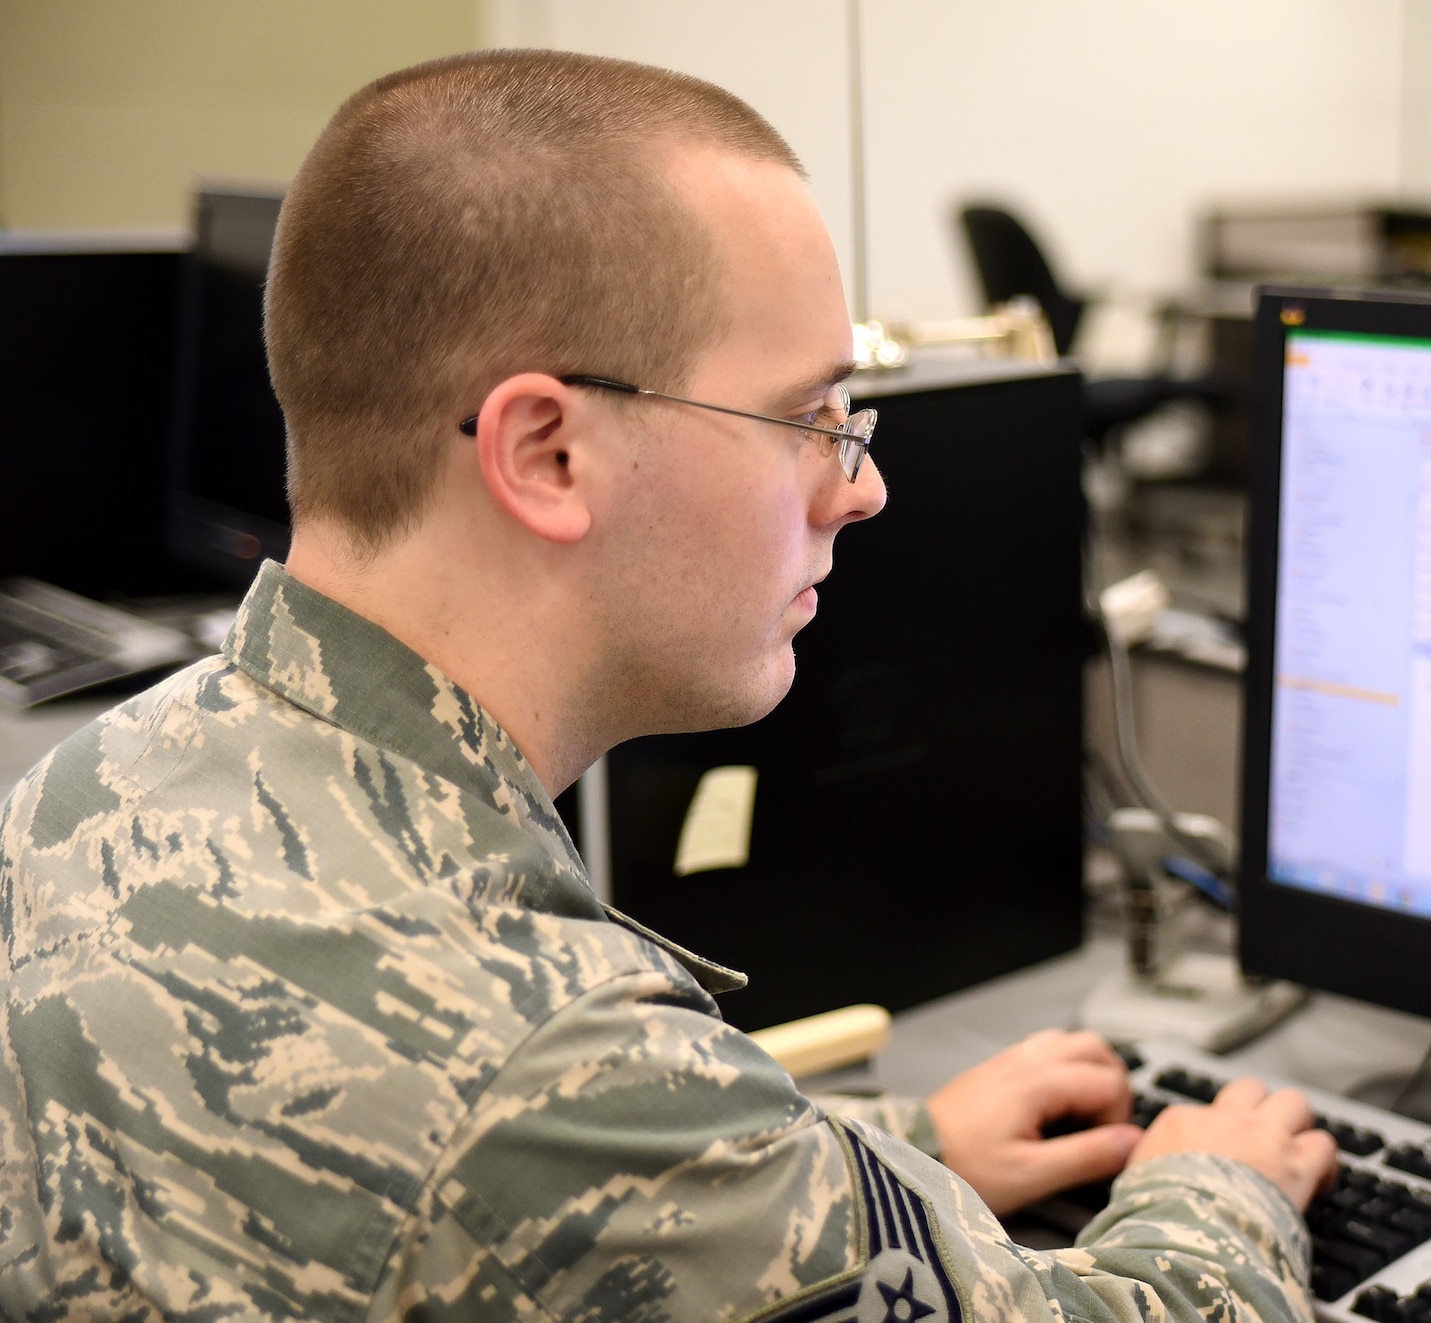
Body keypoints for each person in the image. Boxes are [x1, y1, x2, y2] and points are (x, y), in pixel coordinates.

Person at [0, 50, 1336, 1321]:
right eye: (807, 420)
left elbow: (486, 1187)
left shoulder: (88, 785)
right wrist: (1217, 1190)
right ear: (550, 454)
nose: (861, 485)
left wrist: (881, 1154)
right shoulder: (547, 1066)